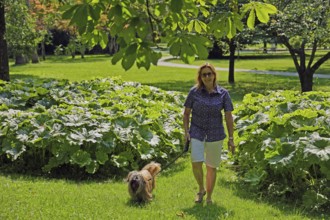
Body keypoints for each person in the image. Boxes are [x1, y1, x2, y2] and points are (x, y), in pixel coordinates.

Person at [183, 63, 235, 205]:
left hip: (215, 134)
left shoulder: (223, 93)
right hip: (197, 131)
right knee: (196, 162)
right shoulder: (194, 92)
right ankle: (201, 189)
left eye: (209, 74)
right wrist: (186, 132)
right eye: (204, 74)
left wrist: (231, 138)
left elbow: (228, 116)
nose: (207, 77)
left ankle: (209, 196)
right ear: (200, 77)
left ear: (214, 75)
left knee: (211, 167)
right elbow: (186, 114)